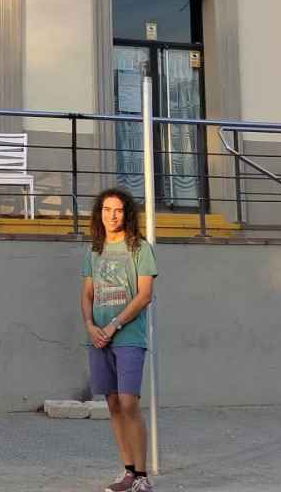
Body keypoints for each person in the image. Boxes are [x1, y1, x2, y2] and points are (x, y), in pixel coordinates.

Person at [81, 187, 158, 492]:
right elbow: (87, 294)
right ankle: (127, 472)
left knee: (128, 402)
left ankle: (142, 476)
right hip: (98, 338)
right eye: (106, 210)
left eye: (117, 210)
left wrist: (113, 325)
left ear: (127, 214)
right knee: (112, 404)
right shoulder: (94, 251)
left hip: (128, 336)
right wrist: (89, 325)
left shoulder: (139, 248)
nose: (111, 216)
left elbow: (145, 295)